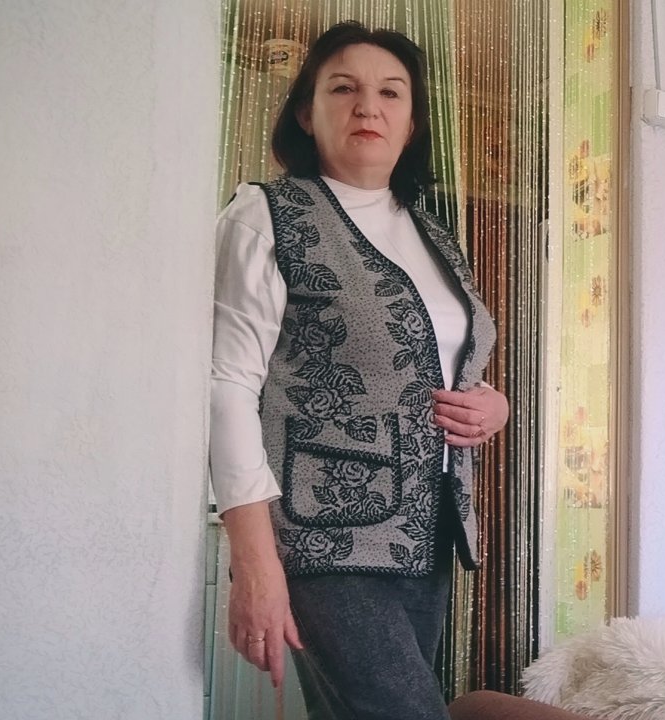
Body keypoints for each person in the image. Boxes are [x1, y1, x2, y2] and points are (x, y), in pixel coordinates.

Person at [209, 21, 509, 719]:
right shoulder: (267, 215)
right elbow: (227, 388)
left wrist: (493, 406)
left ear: (412, 123)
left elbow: (442, 359)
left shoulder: (435, 236)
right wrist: (255, 562)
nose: (368, 106)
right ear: (306, 113)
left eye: (390, 92)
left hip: (429, 534)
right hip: (323, 536)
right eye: (343, 88)